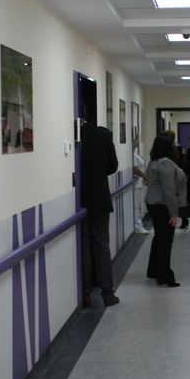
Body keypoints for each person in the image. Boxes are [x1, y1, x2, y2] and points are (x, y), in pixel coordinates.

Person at [79, 120, 120, 308]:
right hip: (100, 198)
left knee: (84, 246)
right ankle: (107, 293)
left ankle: (85, 293)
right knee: (102, 245)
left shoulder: (75, 135)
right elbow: (113, 166)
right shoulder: (103, 135)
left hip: (79, 199)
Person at [145, 135, 186, 287]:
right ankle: (164, 277)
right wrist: (174, 214)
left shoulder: (154, 161)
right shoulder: (165, 163)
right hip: (162, 206)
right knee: (165, 241)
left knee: (159, 238)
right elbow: (169, 191)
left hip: (153, 204)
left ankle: (153, 271)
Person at [163, 129, 190, 229]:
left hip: (173, 174)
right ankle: (183, 220)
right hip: (178, 173)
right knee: (180, 198)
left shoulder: (171, 148)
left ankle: (178, 219)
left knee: (176, 198)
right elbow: (184, 160)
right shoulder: (180, 147)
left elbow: (183, 160)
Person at [131, 136, 150, 234]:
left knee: (137, 204)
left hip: (138, 183)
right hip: (136, 183)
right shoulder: (131, 154)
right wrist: (145, 176)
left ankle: (138, 225)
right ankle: (138, 226)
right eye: (136, 140)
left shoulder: (135, 153)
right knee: (135, 205)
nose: (138, 143)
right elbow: (134, 168)